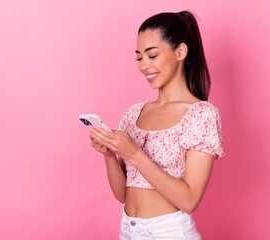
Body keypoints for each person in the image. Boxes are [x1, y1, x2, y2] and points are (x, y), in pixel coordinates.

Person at [89, 11, 224, 240]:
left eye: (152, 55)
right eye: (139, 58)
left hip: (169, 232)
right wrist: (110, 155)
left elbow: (190, 201)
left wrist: (134, 154)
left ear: (180, 52)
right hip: (128, 230)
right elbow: (123, 194)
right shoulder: (134, 113)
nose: (144, 66)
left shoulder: (201, 115)